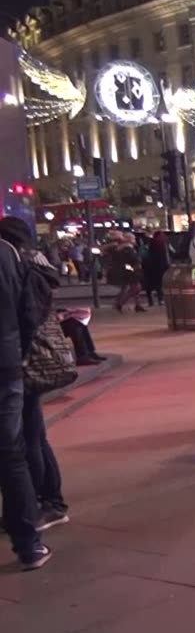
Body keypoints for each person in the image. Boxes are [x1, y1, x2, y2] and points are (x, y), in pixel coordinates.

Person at [0, 221, 70, 531]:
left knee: (28, 438)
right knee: (33, 434)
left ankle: (47, 504)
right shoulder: (36, 261)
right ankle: (43, 503)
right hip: (30, 355)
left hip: (25, 357)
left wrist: (21, 349)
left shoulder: (20, 265)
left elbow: (27, 316)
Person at [0, 217, 52, 569]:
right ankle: (28, 545)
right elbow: (28, 314)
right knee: (11, 453)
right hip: (5, 363)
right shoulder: (7, 254)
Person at [106, 232, 144, 313]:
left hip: (126, 270)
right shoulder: (128, 248)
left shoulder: (120, 248)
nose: (134, 240)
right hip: (131, 271)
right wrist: (136, 265)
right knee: (136, 288)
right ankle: (120, 303)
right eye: (133, 239)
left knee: (131, 288)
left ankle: (137, 305)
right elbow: (133, 259)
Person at [141, 230, 169, 307]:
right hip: (156, 267)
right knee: (157, 284)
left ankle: (155, 300)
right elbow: (159, 257)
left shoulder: (160, 244)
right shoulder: (157, 244)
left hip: (154, 267)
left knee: (155, 285)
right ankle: (159, 299)